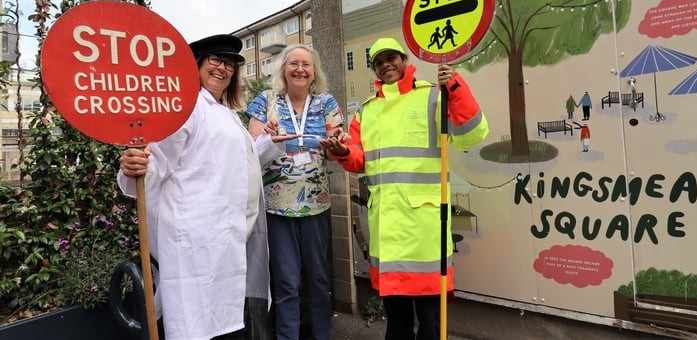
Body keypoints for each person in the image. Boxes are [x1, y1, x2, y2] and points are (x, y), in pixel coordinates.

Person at [320, 38, 488, 340]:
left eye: (391, 58)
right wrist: (343, 152)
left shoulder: (433, 96)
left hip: (425, 230)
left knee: (431, 324)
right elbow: (359, 159)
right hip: (387, 229)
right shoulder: (367, 112)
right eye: (379, 62)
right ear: (375, 69)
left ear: (404, 59)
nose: (386, 65)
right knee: (396, 323)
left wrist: (456, 86)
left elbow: (471, 134)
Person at [118, 34, 277, 340]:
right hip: (195, 240)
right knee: (195, 325)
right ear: (197, 65)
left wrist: (268, 143)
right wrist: (135, 167)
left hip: (226, 239)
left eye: (229, 64)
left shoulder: (225, 113)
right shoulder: (184, 107)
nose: (223, 68)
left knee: (222, 322)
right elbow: (157, 162)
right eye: (215, 60)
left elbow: (239, 165)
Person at [246, 44, 348, 340]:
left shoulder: (326, 103)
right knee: (286, 282)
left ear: (314, 71)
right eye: (293, 63)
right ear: (283, 70)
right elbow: (251, 154)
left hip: (316, 206)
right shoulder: (265, 101)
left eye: (306, 64)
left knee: (318, 280)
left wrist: (338, 146)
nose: (300, 68)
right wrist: (267, 136)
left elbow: (338, 144)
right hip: (277, 209)